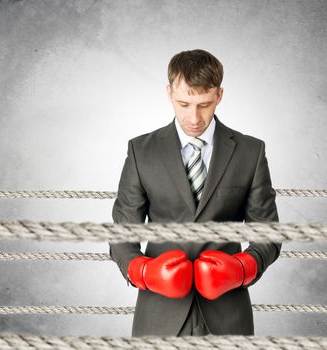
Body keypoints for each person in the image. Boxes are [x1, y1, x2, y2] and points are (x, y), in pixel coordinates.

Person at [109, 49, 281, 337]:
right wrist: (145, 272)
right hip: (158, 314)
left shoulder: (251, 152)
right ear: (169, 93)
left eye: (204, 104)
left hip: (229, 315)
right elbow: (121, 236)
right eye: (183, 103)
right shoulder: (141, 151)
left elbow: (269, 235)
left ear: (220, 96)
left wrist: (240, 269)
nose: (194, 116)